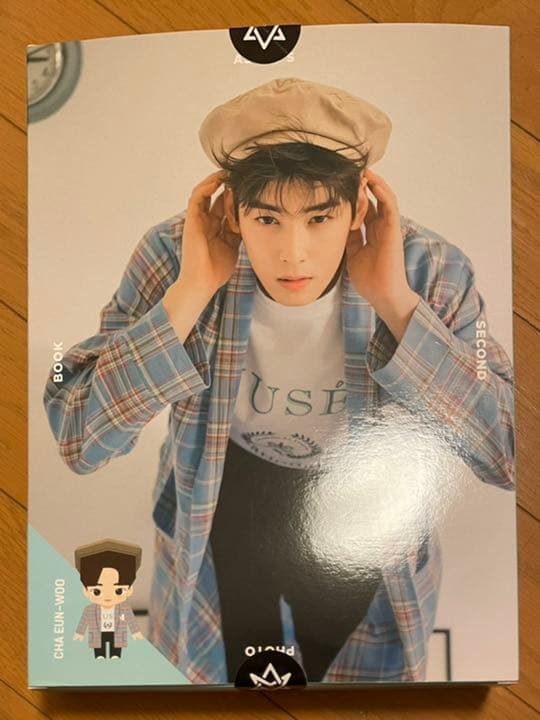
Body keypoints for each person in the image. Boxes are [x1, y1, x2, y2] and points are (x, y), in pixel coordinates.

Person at [44, 78, 515, 684]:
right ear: (231, 210)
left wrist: (398, 305)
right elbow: (79, 436)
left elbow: (508, 453)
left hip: (358, 513)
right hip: (225, 496)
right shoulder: (176, 254)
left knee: (351, 679)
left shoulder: (429, 268)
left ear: (359, 207)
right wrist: (190, 292)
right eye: (267, 217)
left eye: (320, 217)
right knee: (230, 677)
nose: (295, 252)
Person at [73, 538, 144, 660]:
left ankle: (115, 656)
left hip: (117, 634)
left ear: (129, 590)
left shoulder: (124, 609)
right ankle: (100, 656)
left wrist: (136, 632)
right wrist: (79, 633)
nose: (107, 596)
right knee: (99, 651)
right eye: (97, 591)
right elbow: (83, 621)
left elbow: (131, 621)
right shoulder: (90, 609)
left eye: (118, 591)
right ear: (86, 592)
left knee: (115, 650)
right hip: (97, 634)